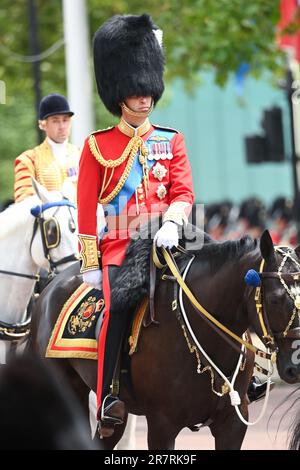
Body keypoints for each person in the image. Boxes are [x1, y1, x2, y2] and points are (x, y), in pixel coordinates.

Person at [77, 14, 194, 437]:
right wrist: (91, 262)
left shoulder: (171, 139)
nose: (144, 100)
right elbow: (86, 209)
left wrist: (174, 223)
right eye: (135, 93)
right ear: (118, 94)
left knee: (223, 277)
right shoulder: (96, 146)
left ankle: (244, 370)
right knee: (118, 307)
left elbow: (183, 193)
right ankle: (108, 393)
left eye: (148, 92)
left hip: (172, 239)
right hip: (121, 248)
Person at [14, 93, 80, 204]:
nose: (62, 126)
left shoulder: (82, 154)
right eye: (55, 121)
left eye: (65, 120)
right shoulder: (28, 159)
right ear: (42, 124)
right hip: (48, 220)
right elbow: (24, 202)